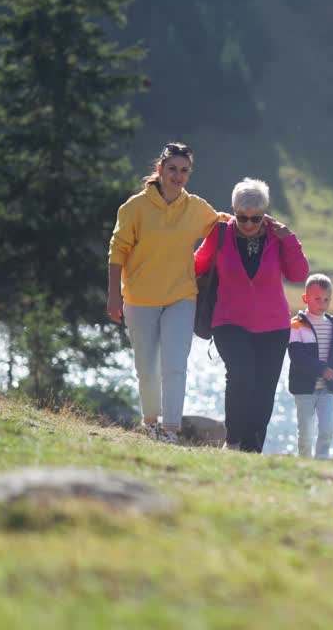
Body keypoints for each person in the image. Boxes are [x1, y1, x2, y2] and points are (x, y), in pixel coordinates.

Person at [108, 142, 229, 444]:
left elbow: (224, 225)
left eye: (184, 171)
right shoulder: (134, 207)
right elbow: (117, 251)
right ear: (160, 169)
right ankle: (150, 423)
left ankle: (171, 431)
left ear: (190, 174)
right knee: (147, 368)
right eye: (172, 169)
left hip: (181, 297)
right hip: (139, 298)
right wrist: (113, 295)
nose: (178, 176)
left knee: (175, 365)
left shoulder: (196, 207)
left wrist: (262, 221)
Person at [194, 177, 308, 452]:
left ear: (264, 214)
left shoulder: (277, 237)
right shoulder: (220, 233)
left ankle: (252, 448)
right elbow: (196, 265)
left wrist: (289, 239)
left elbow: (298, 274)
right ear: (233, 211)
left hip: (274, 327)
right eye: (241, 217)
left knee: (264, 389)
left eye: (255, 218)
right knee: (241, 374)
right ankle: (232, 442)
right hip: (228, 322)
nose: (247, 224)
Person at [287, 274, 333, 460]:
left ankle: (321, 462)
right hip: (304, 388)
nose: (322, 303)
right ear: (305, 299)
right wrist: (321, 369)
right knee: (305, 432)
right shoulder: (296, 325)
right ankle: (305, 462)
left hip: (327, 389)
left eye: (326, 299)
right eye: (317, 299)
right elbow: (297, 356)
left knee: (327, 429)